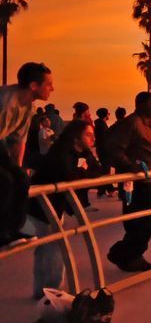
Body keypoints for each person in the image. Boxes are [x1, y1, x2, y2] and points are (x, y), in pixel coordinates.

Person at [27, 120, 104, 296]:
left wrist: (83, 170)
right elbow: (68, 175)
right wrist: (83, 171)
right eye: (88, 134)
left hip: (54, 206)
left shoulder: (82, 152)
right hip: (41, 206)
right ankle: (53, 291)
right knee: (55, 246)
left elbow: (98, 170)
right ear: (76, 137)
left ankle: (42, 291)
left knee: (46, 247)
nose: (93, 138)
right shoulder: (60, 151)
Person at [104, 92, 151, 271]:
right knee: (140, 223)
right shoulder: (132, 123)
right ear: (140, 105)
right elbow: (115, 148)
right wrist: (130, 167)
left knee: (145, 222)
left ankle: (131, 256)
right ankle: (123, 254)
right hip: (138, 184)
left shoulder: (146, 125)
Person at [0, 62, 55, 249]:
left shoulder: (28, 109)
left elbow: (18, 142)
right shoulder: (5, 102)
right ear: (33, 86)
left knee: (21, 178)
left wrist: (18, 169)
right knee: (4, 180)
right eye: (48, 84)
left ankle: (13, 229)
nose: (52, 89)